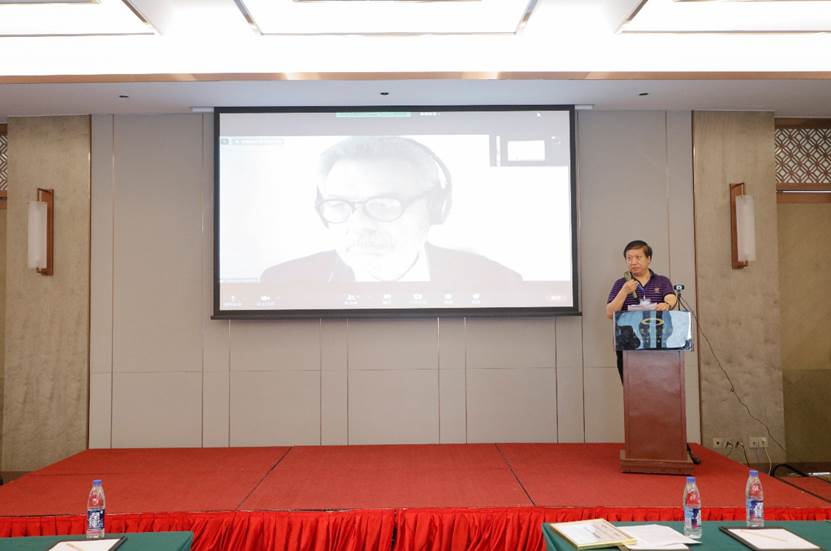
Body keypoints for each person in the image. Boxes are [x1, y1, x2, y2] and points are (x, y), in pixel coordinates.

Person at [260, 136, 522, 285]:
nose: (359, 224)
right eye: (339, 205)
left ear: (434, 208)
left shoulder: (497, 281)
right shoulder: (282, 282)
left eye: (383, 204)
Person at [606, 240, 678, 380]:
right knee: (632, 388)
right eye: (629, 258)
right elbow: (609, 313)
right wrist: (624, 291)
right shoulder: (620, 284)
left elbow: (671, 298)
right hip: (628, 344)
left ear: (648, 259)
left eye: (638, 257)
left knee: (661, 386)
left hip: (659, 342)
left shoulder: (662, 281)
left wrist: (667, 305)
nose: (633, 262)